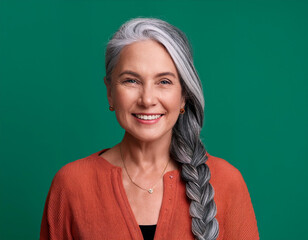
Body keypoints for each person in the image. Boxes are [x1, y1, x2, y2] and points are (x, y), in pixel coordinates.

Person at [40, 18, 259, 240]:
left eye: (164, 81)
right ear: (110, 92)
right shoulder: (71, 184)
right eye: (131, 81)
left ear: (184, 95)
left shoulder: (227, 182)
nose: (147, 99)